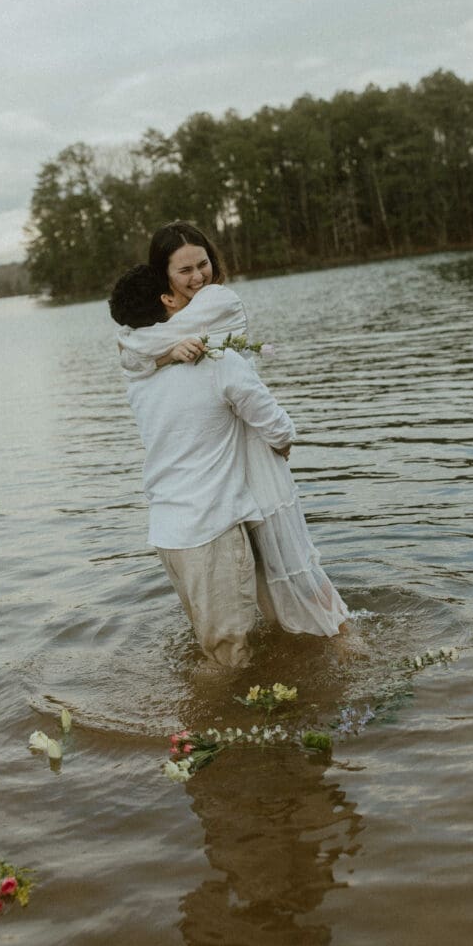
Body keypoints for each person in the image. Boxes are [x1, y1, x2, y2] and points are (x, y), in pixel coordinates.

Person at [116, 221, 350, 639]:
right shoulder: (162, 339)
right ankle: (288, 650)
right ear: (163, 280)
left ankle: (338, 639)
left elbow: (136, 350)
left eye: (202, 264)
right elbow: (135, 354)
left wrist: (163, 352)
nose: (198, 277)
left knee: (290, 566)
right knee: (255, 575)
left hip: (248, 446)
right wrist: (168, 354)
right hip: (220, 451)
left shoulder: (220, 301)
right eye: (184, 271)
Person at [109, 264, 295, 671]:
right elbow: (278, 428)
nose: (195, 287)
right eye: (180, 283)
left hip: (168, 535)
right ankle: (212, 732)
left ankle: (200, 727)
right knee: (231, 660)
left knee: (212, 648)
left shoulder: (140, 374)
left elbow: (134, 356)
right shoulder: (215, 362)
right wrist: (278, 447)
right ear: (167, 299)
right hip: (211, 531)